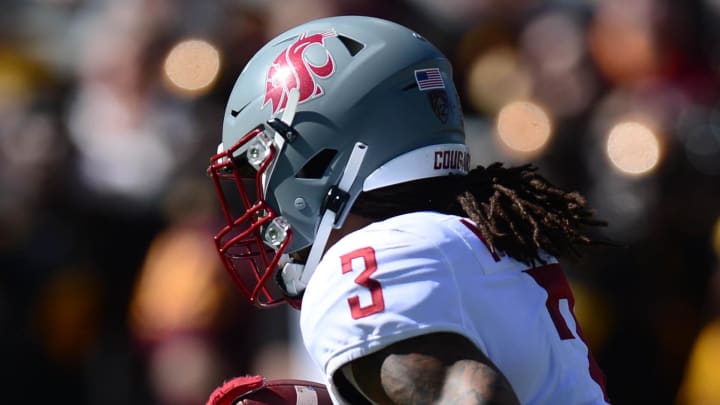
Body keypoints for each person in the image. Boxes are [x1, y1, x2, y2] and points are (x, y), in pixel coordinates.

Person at [207, 15, 611, 404]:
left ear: (318, 158)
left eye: (261, 164)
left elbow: (474, 396)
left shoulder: (366, 260)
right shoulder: (461, 237)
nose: (263, 201)